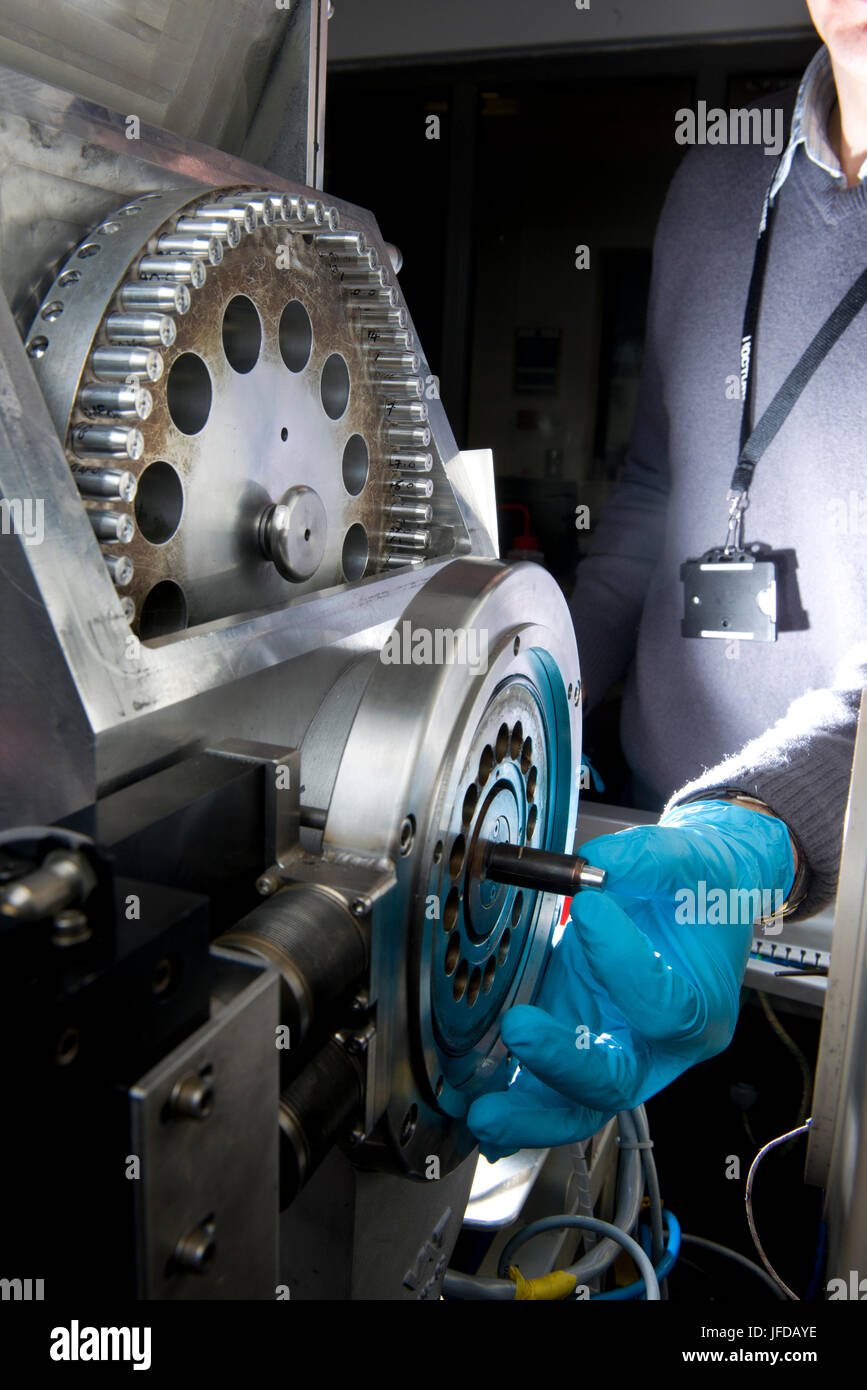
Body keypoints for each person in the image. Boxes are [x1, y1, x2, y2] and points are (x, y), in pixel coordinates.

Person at [468, 0, 867, 1157]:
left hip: (821, 899)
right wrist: (531, 695)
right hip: (627, 852)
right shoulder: (717, 175)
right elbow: (654, 486)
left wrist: (760, 837)